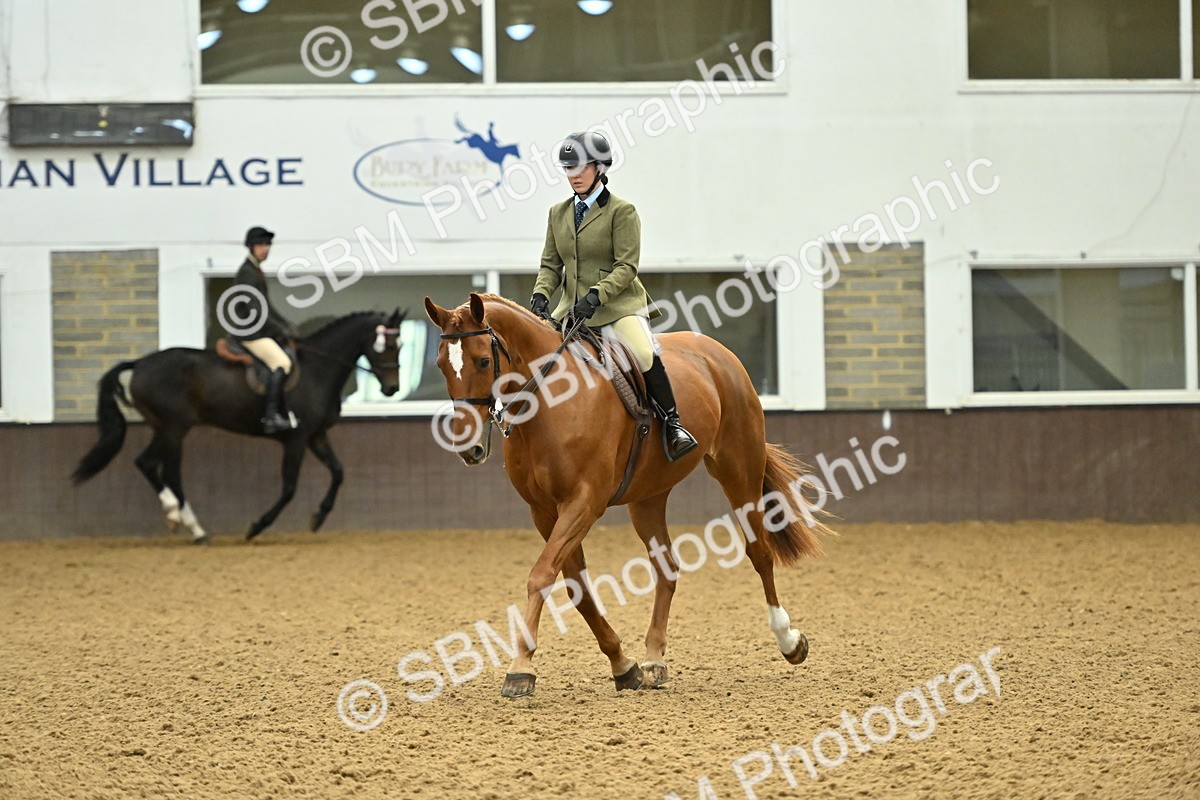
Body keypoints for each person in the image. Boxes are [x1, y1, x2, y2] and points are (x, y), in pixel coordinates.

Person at [530, 131, 698, 462]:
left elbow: (626, 267)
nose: (574, 175)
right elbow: (550, 265)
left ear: (601, 167)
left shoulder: (622, 211)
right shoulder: (557, 213)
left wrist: (595, 296)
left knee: (643, 351)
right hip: (572, 310)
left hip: (617, 307)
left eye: (581, 167)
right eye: (567, 168)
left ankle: (673, 424)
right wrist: (540, 295)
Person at [234, 226, 298, 434]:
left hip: (258, 329)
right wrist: (277, 329)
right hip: (250, 333)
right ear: (251, 247)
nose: (265, 249)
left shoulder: (255, 271)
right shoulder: (247, 273)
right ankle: (270, 416)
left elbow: (266, 306)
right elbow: (255, 309)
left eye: (267, 245)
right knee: (282, 362)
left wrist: (285, 324)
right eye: (261, 245)